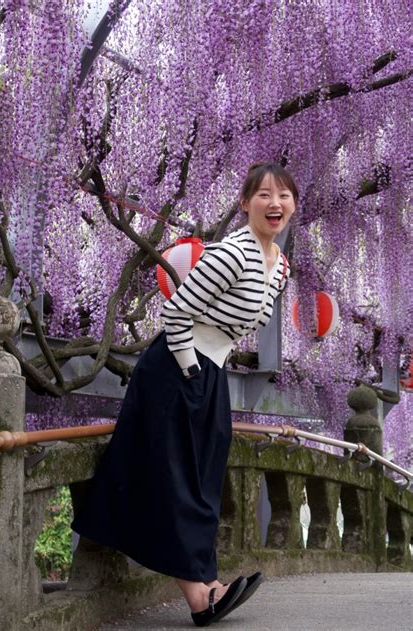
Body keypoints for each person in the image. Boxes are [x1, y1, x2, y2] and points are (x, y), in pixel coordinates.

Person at [71, 162, 298, 627]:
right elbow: (176, 314)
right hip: (177, 368)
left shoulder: (278, 265)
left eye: (285, 196)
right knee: (177, 478)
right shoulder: (231, 253)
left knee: (203, 477)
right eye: (264, 195)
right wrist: (192, 372)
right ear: (245, 203)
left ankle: (208, 579)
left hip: (208, 371)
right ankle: (200, 595)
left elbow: (237, 327)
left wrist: (205, 373)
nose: (275, 204)